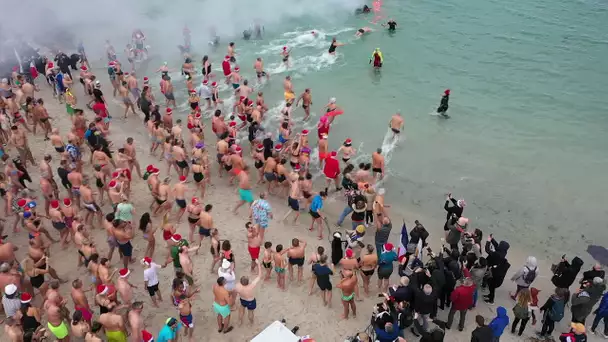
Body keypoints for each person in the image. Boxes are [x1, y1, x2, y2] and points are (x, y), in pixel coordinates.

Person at [484, 235, 510, 305]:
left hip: (494, 275)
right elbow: (497, 246)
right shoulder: (503, 252)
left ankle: (491, 300)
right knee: (491, 287)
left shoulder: (497, 254)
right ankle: (490, 295)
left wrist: (488, 241)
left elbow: (487, 250)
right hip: (495, 271)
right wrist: (492, 239)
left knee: (491, 288)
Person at [235, 260, 261, 325]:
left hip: (243, 299)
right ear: (248, 282)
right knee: (250, 312)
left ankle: (240, 321)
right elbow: (259, 276)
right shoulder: (251, 286)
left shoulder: (237, 286)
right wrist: (258, 264)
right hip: (250, 301)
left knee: (241, 309)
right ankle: (251, 322)